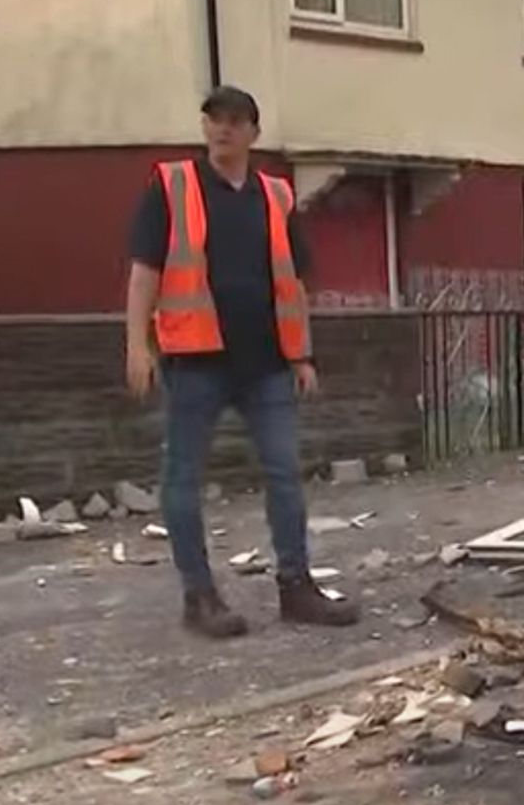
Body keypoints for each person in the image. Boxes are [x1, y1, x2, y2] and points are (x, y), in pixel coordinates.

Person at [125, 86, 356, 638]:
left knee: (284, 474)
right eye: (213, 119)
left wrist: (301, 355)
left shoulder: (275, 196)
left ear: (253, 133)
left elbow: (294, 282)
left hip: (266, 364)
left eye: (234, 121)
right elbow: (145, 273)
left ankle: (296, 585)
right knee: (183, 478)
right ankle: (199, 596)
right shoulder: (173, 186)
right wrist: (137, 344)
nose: (222, 129)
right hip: (195, 360)